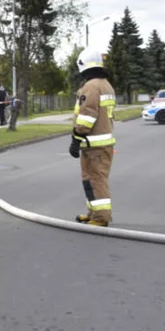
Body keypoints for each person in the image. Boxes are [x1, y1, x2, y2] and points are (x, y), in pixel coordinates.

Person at [69, 48, 116, 226]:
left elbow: (87, 116)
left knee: (96, 179)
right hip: (96, 144)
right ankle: (93, 212)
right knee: (90, 180)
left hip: (94, 145)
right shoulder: (105, 85)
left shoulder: (91, 86)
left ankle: (101, 218)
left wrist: (76, 138)